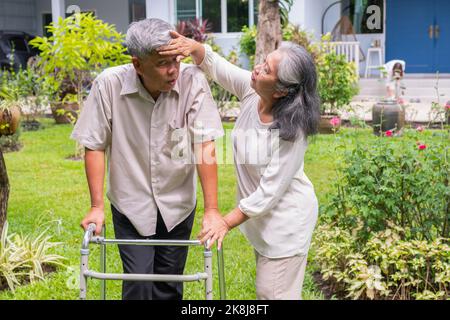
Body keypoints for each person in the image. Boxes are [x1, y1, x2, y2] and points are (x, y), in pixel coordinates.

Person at [157, 32, 320, 300]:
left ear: (280, 90)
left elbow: (268, 193)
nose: (257, 69)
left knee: (272, 294)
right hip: (265, 224)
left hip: (287, 223)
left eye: (266, 70)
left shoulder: (292, 131)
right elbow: (217, 66)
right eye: (263, 62)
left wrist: (224, 222)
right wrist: (193, 47)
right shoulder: (253, 90)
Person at [71, 19, 224, 300]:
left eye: (176, 60)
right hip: (131, 203)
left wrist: (212, 209)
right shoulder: (109, 84)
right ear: (137, 64)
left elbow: (204, 144)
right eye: (162, 63)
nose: (173, 70)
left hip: (178, 203)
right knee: (138, 284)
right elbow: (93, 144)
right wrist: (96, 206)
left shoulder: (192, 81)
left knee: (168, 284)